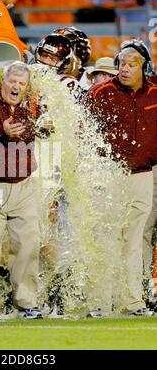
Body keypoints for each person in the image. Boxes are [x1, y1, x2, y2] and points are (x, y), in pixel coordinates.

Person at [0, 61, 53, 321]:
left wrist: (47, 127)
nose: (16, 86)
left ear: (27, 87)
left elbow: (46, 128)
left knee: (28, 244)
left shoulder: (34, 104)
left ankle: (26, 303)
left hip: (24, 185)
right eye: (12, 81)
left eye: (21, 83)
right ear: (2, 81)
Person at [84, 40, 157, 316]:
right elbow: (82, 130)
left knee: (134, 240)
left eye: (132, 64)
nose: (125, 69)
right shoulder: (100, 92)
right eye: (122, 64)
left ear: (144, 67)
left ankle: (132, 302)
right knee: (105, 237)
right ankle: (100, 302)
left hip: (142, 174)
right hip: (108, 172)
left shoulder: (155, 94)